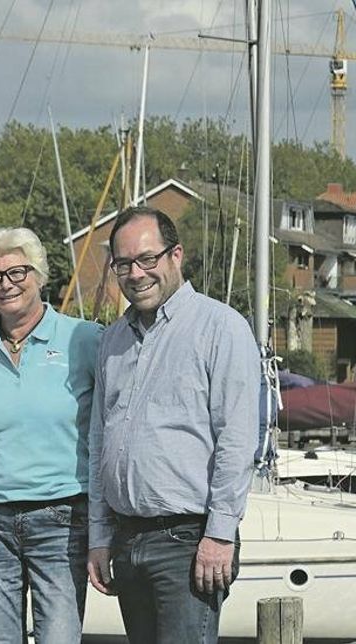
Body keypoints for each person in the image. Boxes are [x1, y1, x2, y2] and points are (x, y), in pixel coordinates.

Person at [86, 207, 259, 644]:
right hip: (128, 539)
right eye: (123, 264)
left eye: (147, 259)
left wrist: (219, 535)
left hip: (188, 540)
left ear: (175, 255)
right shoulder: (113, 340)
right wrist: (100, 535)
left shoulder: (221, 328)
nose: (136, 274)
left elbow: (236, 441)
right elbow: (99, 441)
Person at [0, 227, 101, 644]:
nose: (6, 284)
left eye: (17, 272)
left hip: (62, 517)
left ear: (40, 275)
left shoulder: (84, 339)